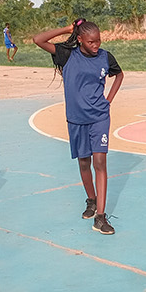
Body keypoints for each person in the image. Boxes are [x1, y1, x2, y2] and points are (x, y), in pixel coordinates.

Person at [33, 19, 124, 234]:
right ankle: (91, 200)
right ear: (80, 40)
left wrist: (108, 99)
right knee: (85, 163)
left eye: (99, 41)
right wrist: (67, 29)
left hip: (100, 116)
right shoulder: (67, 55)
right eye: (91, 42)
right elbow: (38, 39)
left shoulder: (105, 57)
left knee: (100, 161)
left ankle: (100, 217)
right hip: (76, 118)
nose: (96, 45)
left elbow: (119, 75)